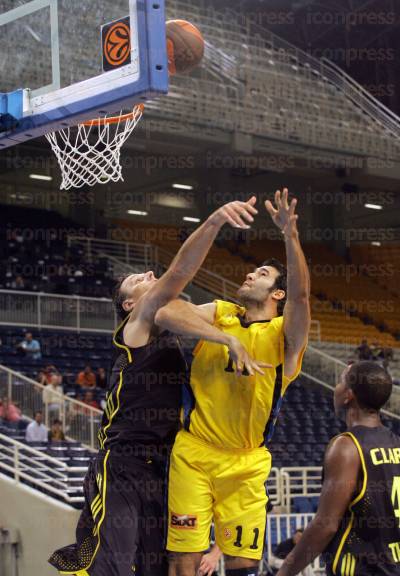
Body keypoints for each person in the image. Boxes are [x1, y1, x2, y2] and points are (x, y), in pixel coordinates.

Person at [49, 198, 263, 576]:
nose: (148, 273)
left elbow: (178, 298)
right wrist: (213, 221)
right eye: (138, 280)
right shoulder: (136, 329)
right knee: (109, 564)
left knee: (156, 567)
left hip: (166, 466)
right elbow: (179, 274)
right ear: (130, 304)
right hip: (123, 464)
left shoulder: (172, 327)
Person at [158, 189, 310, 576]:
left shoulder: (283, 337)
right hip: (194, 452)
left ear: (277, 292)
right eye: (251, 269)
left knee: (243, 565)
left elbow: (302, 297)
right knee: (182, 561)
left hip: (246, 463)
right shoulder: (222, 314)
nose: (249, 273)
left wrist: (289, 235)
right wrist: (226, 339)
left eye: (262, 274)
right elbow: (166, 312)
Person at [276, 361, 400, 576]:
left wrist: (284, 572)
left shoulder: (347, 447)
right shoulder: (396, 442)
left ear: (348, 396)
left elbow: (326, 525)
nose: (337, 387)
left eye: (340, 381)